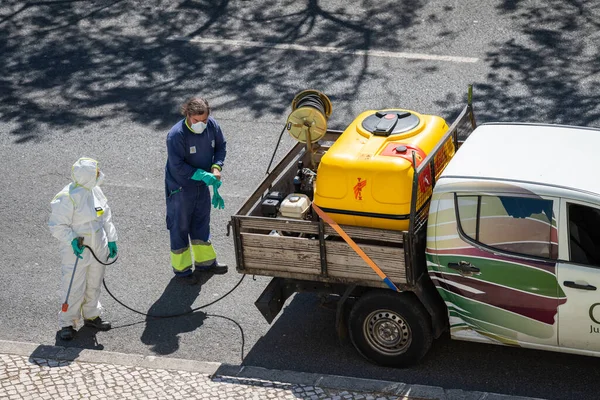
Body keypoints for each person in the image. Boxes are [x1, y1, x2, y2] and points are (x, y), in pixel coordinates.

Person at [48, 157, 118, 341]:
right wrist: (71, 240)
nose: (99, 173)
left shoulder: (96, 191)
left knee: (94, 282)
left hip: (98, 244)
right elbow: (57, 226)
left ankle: (92, 315)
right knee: (73, 285)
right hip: (77, 247)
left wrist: (112, 239)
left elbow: (106, 216)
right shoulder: (67, 197)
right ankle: (67, 323)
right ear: (87, 175)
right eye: (95, 171)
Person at [165, 97, 227, 285]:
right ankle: (182, 271)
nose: (201, 124)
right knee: (180, 227)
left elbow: (221, 147)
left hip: (201, 185)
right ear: (187, 115)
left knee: (201, 222)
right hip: (181, 188)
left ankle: (205, 263)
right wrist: (202, 175)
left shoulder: (212, 126)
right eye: (196, 121)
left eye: (204, 120)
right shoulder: (176, 135)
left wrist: (216, 167)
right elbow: (177, 166)